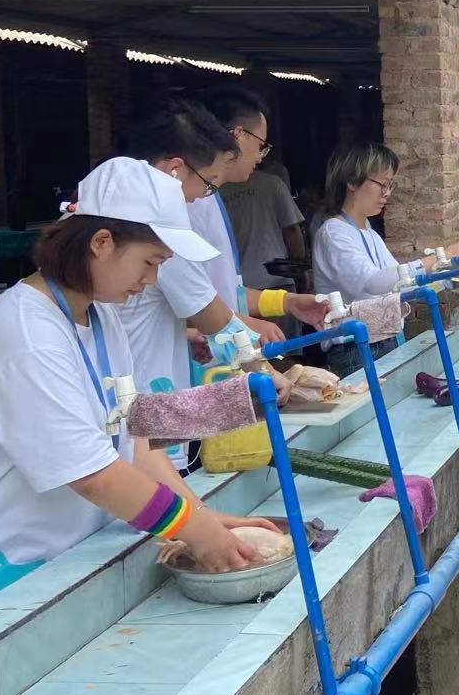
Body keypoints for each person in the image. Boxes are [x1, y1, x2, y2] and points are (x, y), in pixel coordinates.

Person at [0, 157, 277, 613]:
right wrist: (193, 528)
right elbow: (95, 476)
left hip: (66, 564)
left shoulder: (102, 318)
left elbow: (134, 438)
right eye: (149, 262)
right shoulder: (26, 335)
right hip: (0, 577)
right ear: (101, 243)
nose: (150, 282)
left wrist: (198, 515)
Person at [118, 100, 288, 473]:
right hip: (144, 403)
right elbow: (214, 315)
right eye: (208, 182)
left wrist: (185, 333)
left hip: (145, 402)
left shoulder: (137, 207)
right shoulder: (154, 221)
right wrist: (264, 372)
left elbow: (184, 304)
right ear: (176, 168)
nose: (204, 195)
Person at [194, 88, 325, 333]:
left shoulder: (211, 197)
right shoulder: (192, 201)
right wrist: (243, 326)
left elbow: (225, 293)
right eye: (261, 145)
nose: (261, 156)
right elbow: (192, 300)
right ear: (238, 135)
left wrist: (288, 302)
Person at [311, 142, 446, 375]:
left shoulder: (370, 233)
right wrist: (430, 261)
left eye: (390, 185)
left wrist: (449, 272)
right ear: (352, 181)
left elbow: (401, 281)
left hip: (383, 340)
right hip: (355, 348)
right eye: (382, 184)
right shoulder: (333, 232)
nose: (387, 193)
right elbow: (372, 283)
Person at [220, 160, 306, 291]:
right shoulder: (273, 183)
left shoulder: (215, 192)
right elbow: (292, 230)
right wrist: (301, 269)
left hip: (239, 284)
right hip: (277, 277)